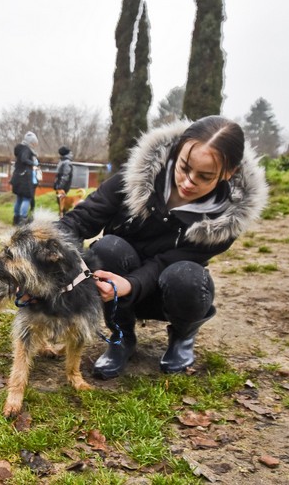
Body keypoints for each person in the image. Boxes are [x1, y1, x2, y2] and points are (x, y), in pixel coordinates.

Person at [58, 116, 268, 378]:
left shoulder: (226, 220)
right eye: (184, 167)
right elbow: (81, 219)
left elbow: (164, 263)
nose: (189, 182)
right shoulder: (135, 177)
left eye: (204, 176)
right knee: (106, 249)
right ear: (176, 151)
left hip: (170, 292)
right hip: (118, 282)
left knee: (186, 277)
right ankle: (121, 336)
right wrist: (47, 256)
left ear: (229, 173)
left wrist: (131, 285)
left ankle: (182, 336)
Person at [9, 131, 38, 225]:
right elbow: (24, 159)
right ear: (30, 142)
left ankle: (16, 218)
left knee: (19, 198)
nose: (34, 145)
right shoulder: (26, 149)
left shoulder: (20, 149)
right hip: (24, 178)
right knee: (27, 198)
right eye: (33, 143)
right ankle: (23, 219)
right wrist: (33, 164)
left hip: (18, 177)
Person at [53, 146, 74, 217]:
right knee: (61, 202)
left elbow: (64, 175)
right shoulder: (65, 162)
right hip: (61, 185)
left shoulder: (64, 162)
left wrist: (58, 185)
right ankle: (64, 217)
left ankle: (64, 218)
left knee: (62, 202)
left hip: (61, 186)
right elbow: (62, 175)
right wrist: (58, 185)